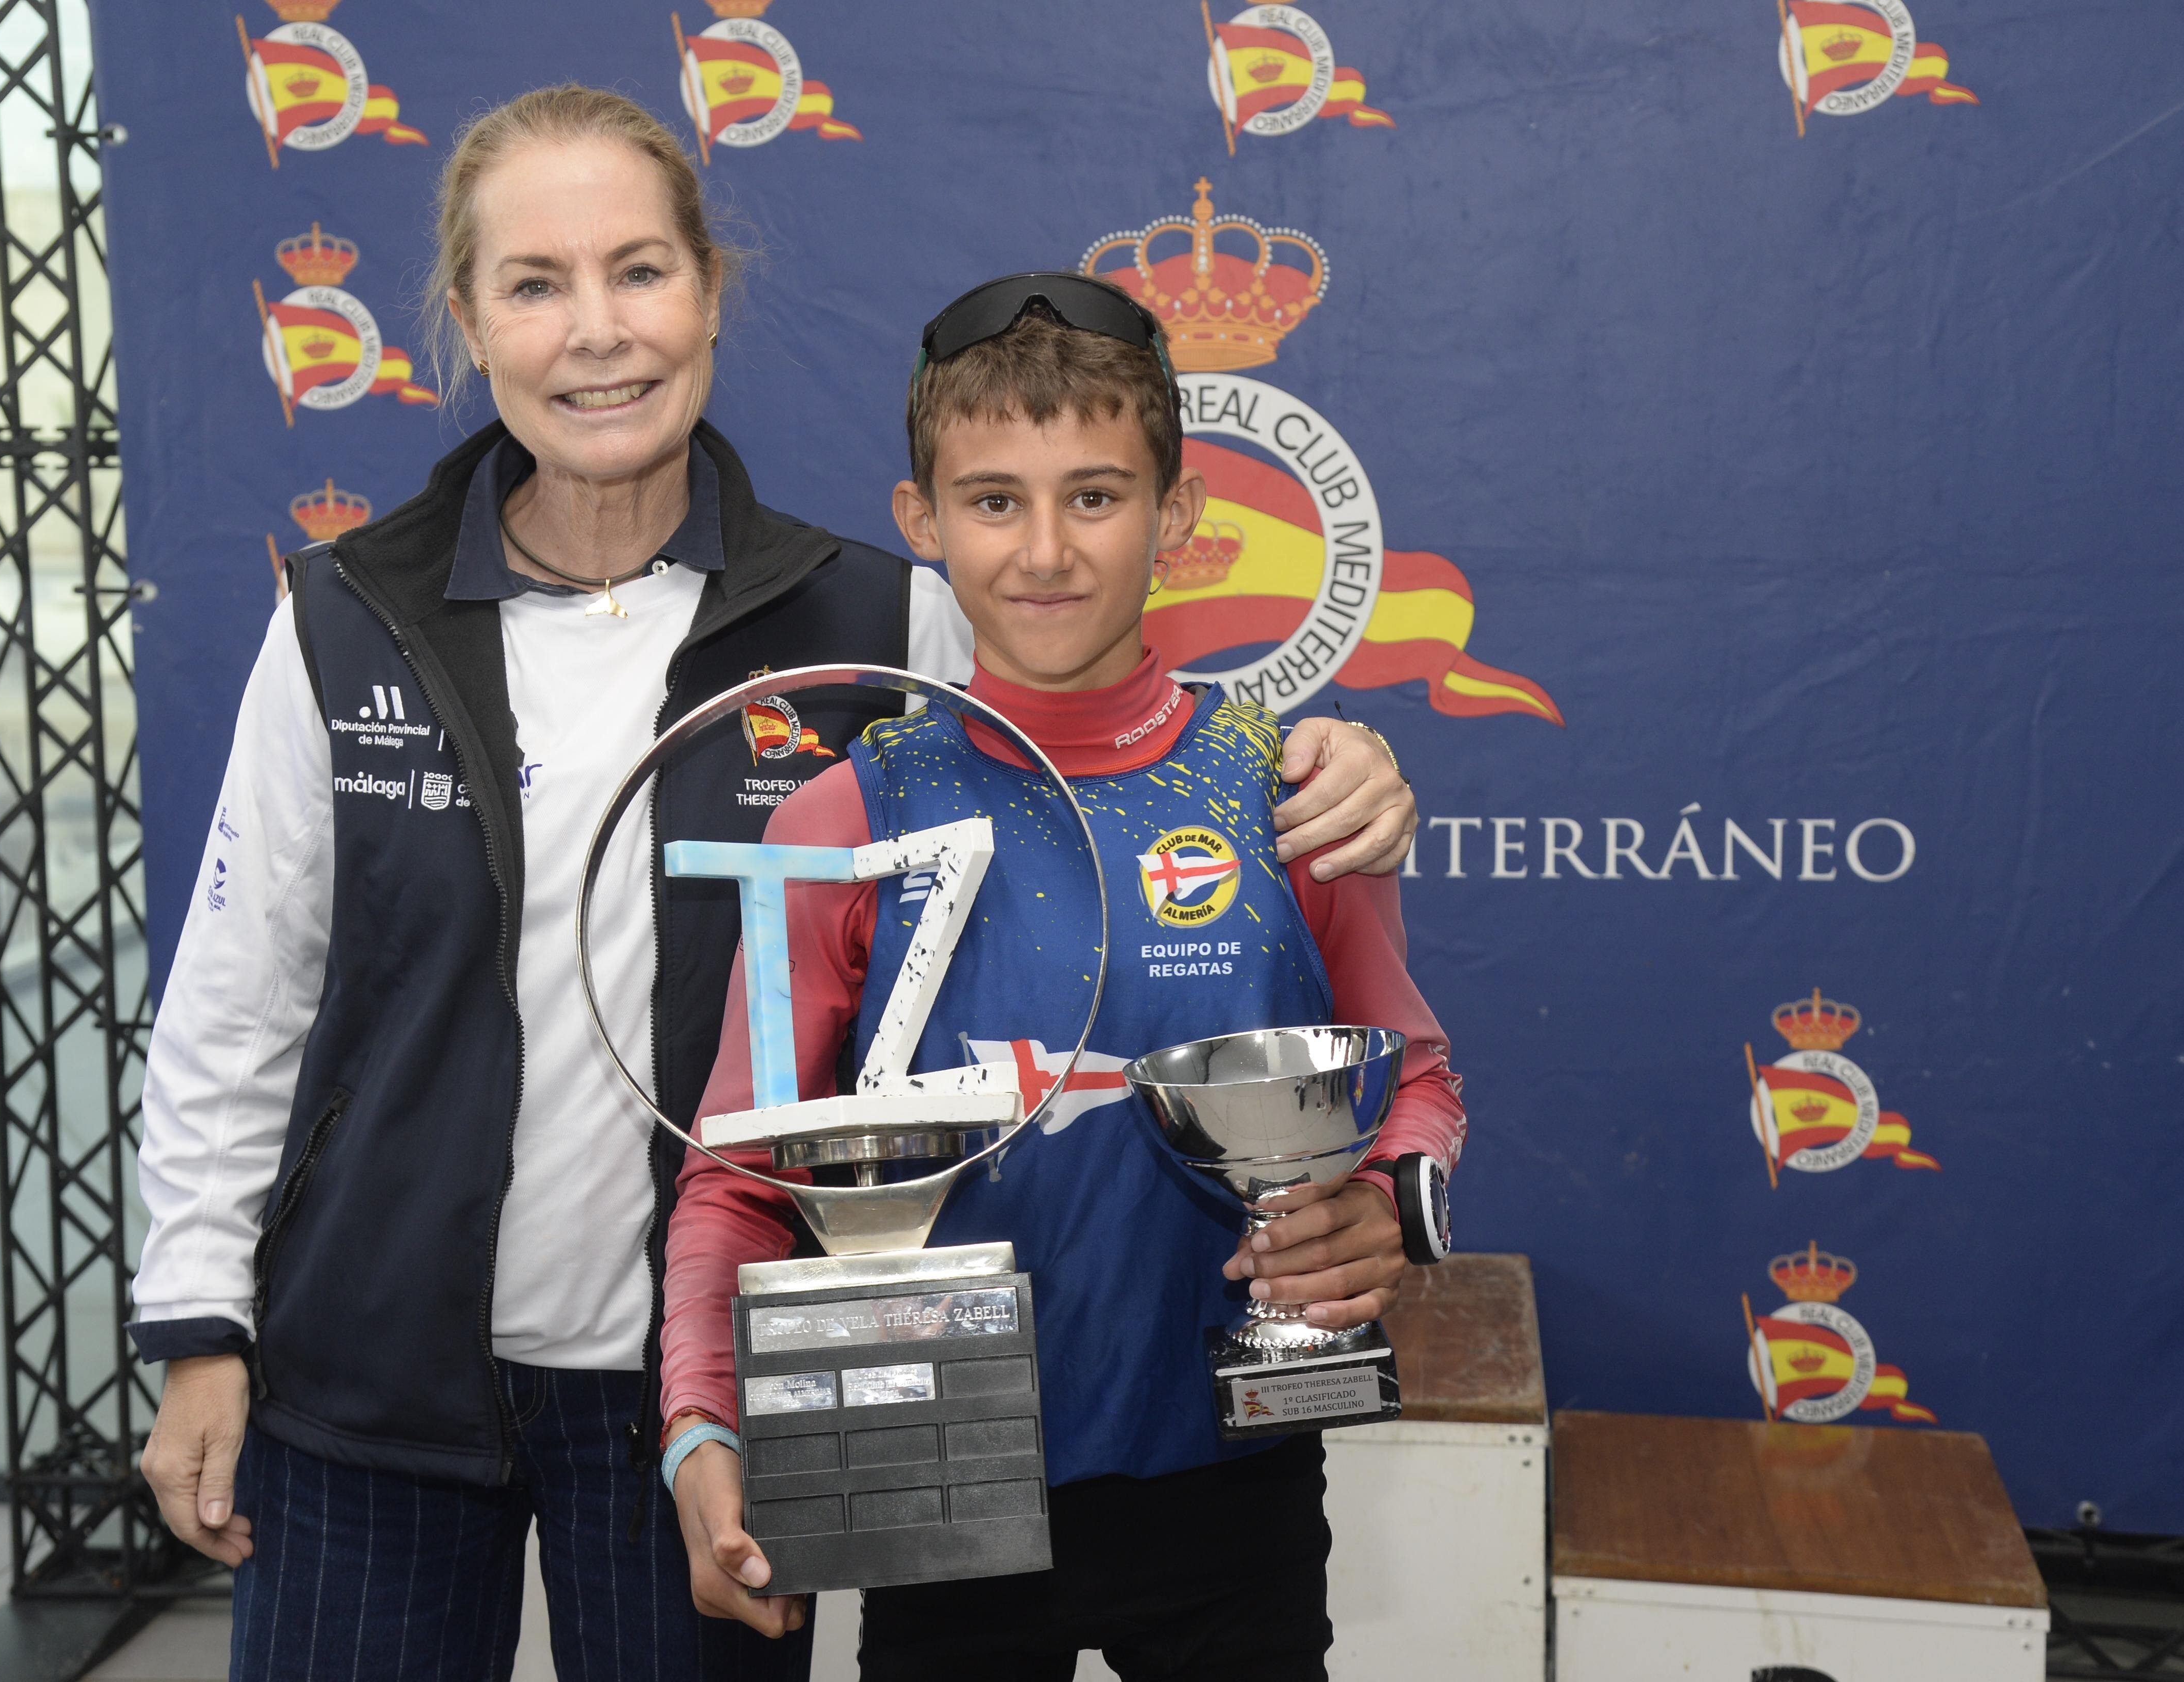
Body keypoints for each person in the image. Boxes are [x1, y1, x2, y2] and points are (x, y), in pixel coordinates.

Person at [126, 88, 1418, 1680]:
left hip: (719, 1379)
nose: (596, 332)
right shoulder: (346, 616)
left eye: (641, 271)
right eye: (535, 284)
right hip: (370, 1374)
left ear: (710, 293)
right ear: (465, 324)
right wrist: (200, 1327)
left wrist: (1320, 760)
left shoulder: (886, 615)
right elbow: (237, 1004)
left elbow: (1098, 738)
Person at [658, 274, 1466, 1680]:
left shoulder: (1292, 790)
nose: (1046, 551)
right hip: (940, 1485)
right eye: (992, 501)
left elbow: (1416, 1083)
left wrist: (1390, 1209)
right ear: (921, 523)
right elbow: (737, 1176)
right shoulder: (842, 819)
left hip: (1233, 1493)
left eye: (1095, 496)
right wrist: (702, 1430)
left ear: (1180, 516)